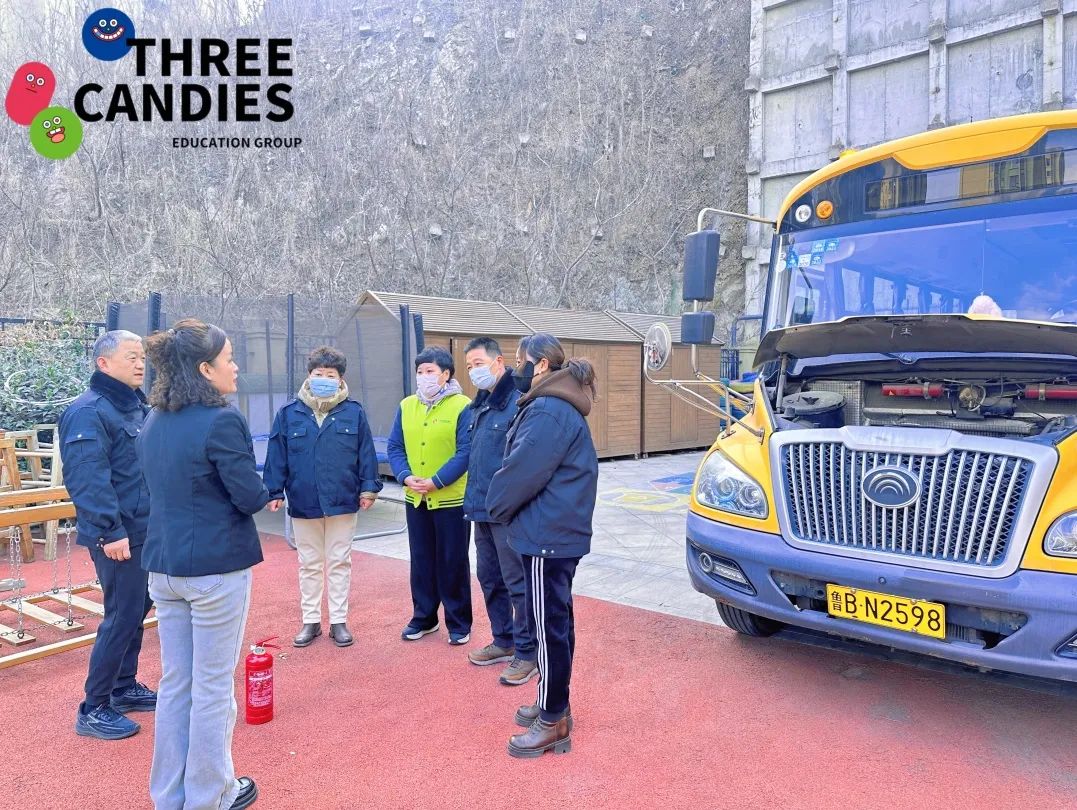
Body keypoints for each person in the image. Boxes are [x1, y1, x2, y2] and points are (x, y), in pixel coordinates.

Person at [138, 319, 269, 810]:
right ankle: (211, 795)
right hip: (215, 570)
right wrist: (265, 490)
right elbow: (247, 495)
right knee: (213, 688)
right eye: (229, 358)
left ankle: (169, 796)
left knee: (177, 685)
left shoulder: (154, 420)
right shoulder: (222, 420)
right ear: (203, 368)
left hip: (165, 567)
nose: (235, 366)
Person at [487, 332, 599, 758]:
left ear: (541, 365)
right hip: (553, 531)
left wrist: (493, 505)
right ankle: (555, 704)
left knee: (549, 626)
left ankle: (552, 719)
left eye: (520, 360)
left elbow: (522, 471)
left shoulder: (548, 409)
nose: (515, 368)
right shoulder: (555, 405)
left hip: (547, 535)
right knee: (556, 621)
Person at [59, 330, 156, 741]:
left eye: (142, 357)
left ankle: (123, 686)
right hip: (119, 537)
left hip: (146, 529)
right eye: (131, 356)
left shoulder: (136, 408)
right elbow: (87, 479)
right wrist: (109, 531)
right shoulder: (87, 412)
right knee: (121, 617)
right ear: (103, 363)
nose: (140, 364)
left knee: (136, 613)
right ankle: (94, 706)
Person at [263, 345, 382, 648]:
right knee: (309, 563)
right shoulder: (289, 413)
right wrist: (274, 490)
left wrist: (369, 487)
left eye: (331, 375)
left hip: (343, 500)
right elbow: (277, 454)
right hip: (304, 500)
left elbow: (366, 453)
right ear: (309, 375)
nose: (324, 379)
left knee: (340, 560)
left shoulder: (353, 412)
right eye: (319, 374)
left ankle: (339, 621)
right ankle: (311, 621)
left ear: (341, 379)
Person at [461, 337, 537, 686]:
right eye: (469, 366)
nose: (473, 371)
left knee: (517, 584)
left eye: (478, 363)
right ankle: (503, 640)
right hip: (480, 510)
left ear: (499, 361)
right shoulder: (478, 407)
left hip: (507, 512)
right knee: (489, 579)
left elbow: (522, 463)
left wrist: (509, 502)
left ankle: (527, 653)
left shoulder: (518, 403)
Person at [386, 346, 473, 645]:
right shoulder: (407, 405)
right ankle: (424, 617)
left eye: (430, 371)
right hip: (416, 498)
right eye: (420, 372)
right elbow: (395, 446)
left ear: (446, 374)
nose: (424, 377)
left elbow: (465, 452)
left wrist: (437, 481)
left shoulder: (463, 406)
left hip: (451, 499)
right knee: (421, 560)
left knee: (453, 560)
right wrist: (404, 476)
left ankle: (459, 622)